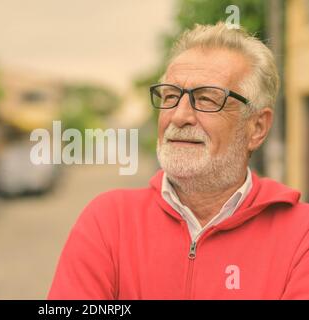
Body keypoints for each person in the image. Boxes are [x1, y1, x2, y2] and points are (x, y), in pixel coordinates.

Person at [48, 22, 309, 299]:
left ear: (257, 127)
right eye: (171, 96)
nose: (179, 116)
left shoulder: (301, 236)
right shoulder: (108, 222)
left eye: (207, 99)